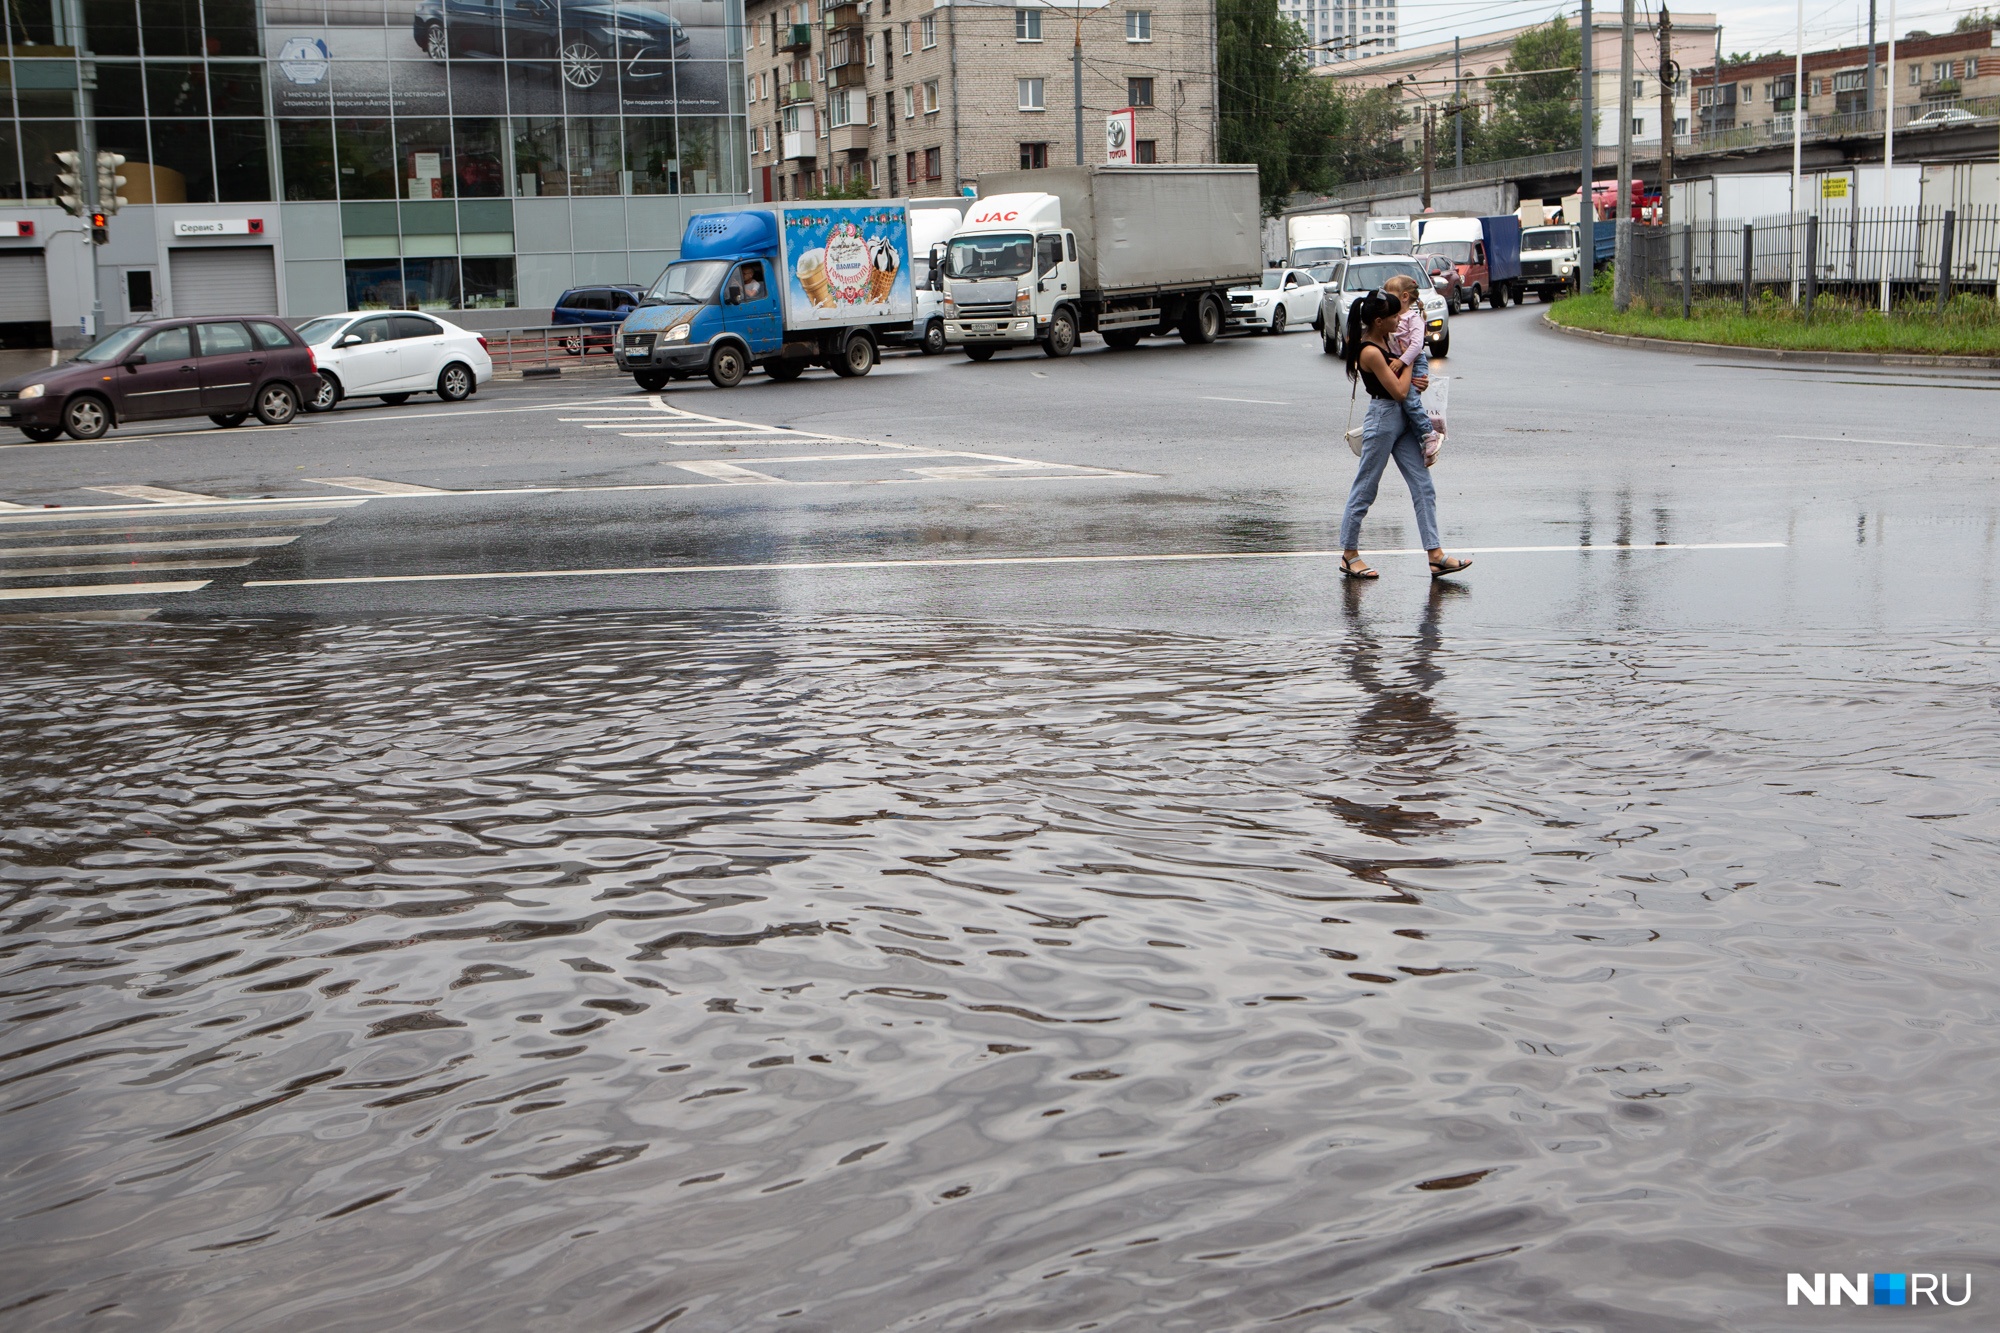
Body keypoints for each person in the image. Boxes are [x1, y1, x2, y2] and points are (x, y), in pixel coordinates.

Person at [1338, 289, 1472, 581]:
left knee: (1424, 486)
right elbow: (1399, 391)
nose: (1399, 320)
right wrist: (1412, 357)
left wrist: (1415, 377)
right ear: (1378, 321)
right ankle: (1349, 555)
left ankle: (1435, 556)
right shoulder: (1369, 351)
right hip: (1383, 419)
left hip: (1403, 420)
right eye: (1393, 316)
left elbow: (1406, 384)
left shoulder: (1385, 339)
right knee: (1365, 488)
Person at [1381, 273, 1444, 465]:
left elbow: (1417, 346)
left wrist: (1401, 361)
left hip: (1415, 362)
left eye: (1389, 295)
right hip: (1400, 362)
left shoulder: (1413, 318)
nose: (1386, 299)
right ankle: (1423, 442)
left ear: (1404, 297)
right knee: (1406, 404)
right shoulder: (1390, 319)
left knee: (1410, 401)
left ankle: (1429, 434)